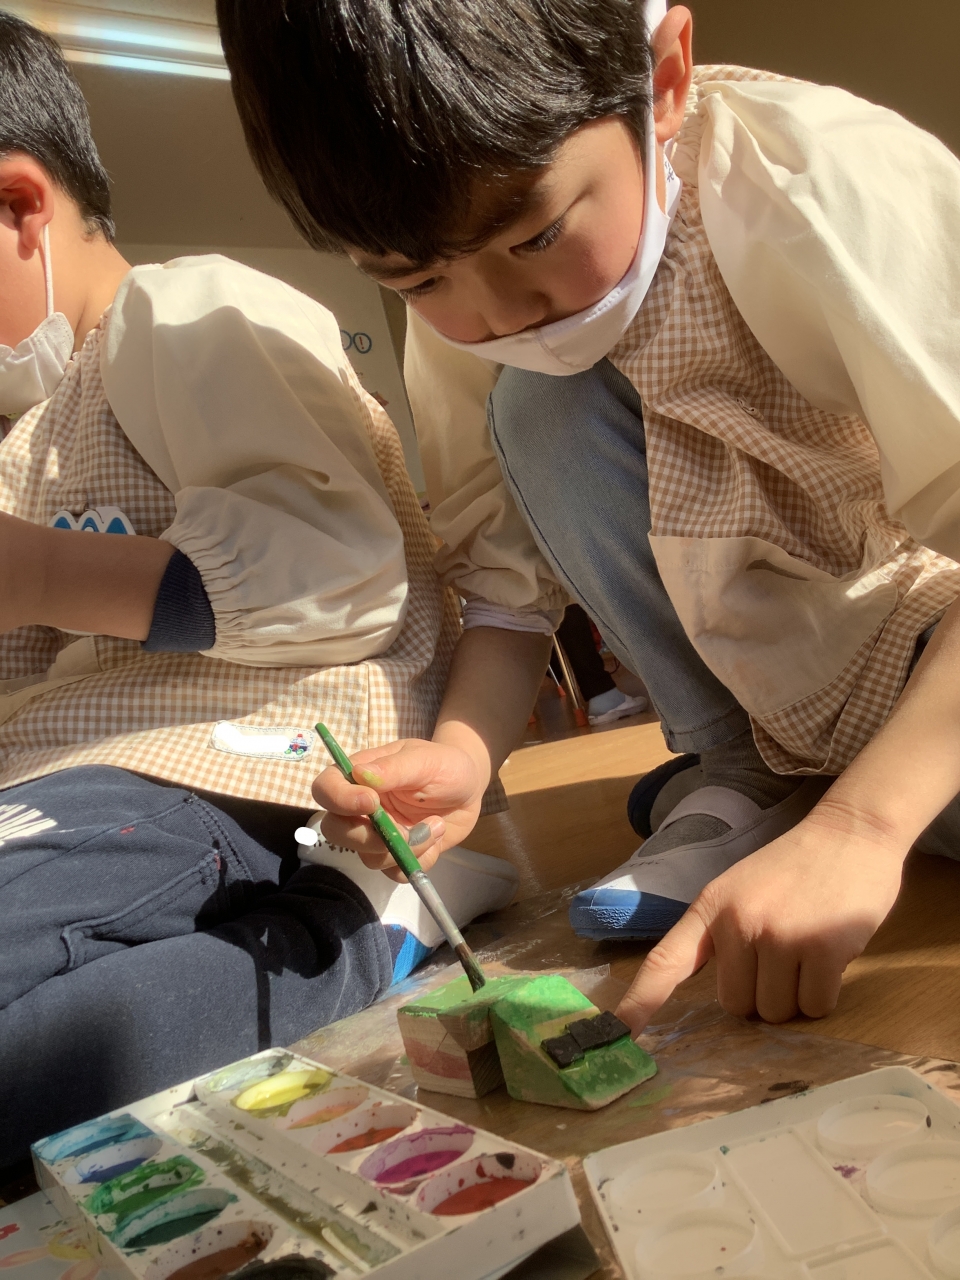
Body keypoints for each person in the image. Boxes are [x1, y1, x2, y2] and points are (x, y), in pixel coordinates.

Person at [217, 0, 960, 1036]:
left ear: (664, 81)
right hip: (787, 696)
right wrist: (465, 757)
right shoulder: (481, 323)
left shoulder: (819, 182)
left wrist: (864, 824)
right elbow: (505, 591)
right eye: (416, 279)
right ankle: (744, 769)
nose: (499, 312)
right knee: (536, 404)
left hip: (927, 651)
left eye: (538, 234)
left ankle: (811, 789)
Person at [0, 12, 518, 1168]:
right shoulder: (27, 441)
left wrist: (37, 570)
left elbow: (338, 571)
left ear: (22, 204)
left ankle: (350, 923)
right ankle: (336, 929)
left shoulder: (185, 313)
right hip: (80, 778)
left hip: (236, 760)